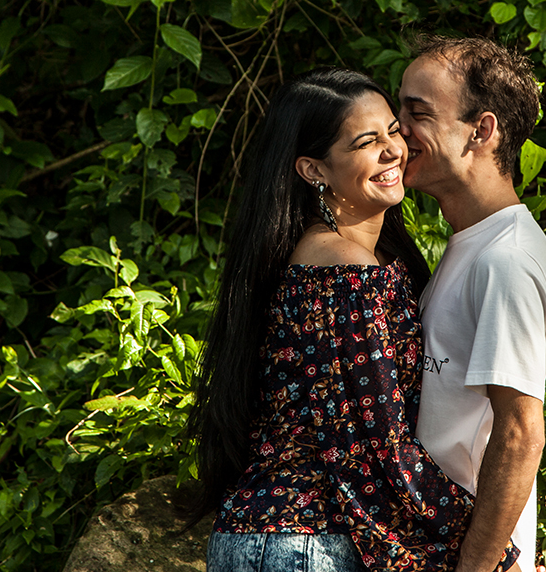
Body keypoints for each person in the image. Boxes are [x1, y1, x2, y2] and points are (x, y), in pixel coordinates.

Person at [187, 68, 519, 572]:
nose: (393, 149)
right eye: (366, 142)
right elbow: (378, 451)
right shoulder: (345, 271)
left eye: (393, 129)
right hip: (303, 543)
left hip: (274, 537)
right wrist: (491, 553)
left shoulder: (337, 257)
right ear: (313, 170)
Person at [397, 36, 546, 572]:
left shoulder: (504, 259)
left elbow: (520, 433)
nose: (398, 129)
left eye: (417, 112)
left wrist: (474, 567)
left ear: (481, 130)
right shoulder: (474, 244)